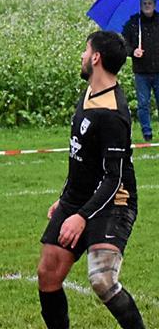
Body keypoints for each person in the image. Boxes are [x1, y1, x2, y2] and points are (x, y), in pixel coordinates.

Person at [37, 30, 144, 329]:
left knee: (102, 279)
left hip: (114, 201)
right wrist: (66, 198)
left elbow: (114, 176)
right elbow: (81, 159)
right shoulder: (89, 93)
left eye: (86, 51)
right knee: (48, 274)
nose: (82, 56)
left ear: (96, 58)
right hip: (79, 197)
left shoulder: (113, 114)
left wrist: (81, 217)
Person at [121, 0, 159, 141]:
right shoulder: (133, 23)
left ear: (154, 5)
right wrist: (133, 51)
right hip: (141, 72)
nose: (147, 6)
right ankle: (147, 133)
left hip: (158, 70)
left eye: (150, 3)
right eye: (144, 3)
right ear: (141, 5)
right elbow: (124, 43)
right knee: (143, 104)